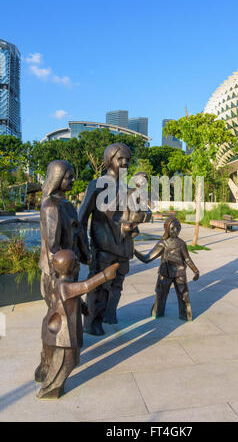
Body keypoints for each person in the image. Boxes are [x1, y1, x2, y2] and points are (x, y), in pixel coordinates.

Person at [79, 143, 151, 335]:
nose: (125, 163)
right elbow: (81, 218)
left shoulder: (128, 190)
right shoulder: (96, 185)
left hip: (124, 246)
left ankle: (110, 314)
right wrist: (83, 248)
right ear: (109, 160)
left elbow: (140, 214)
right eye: (120, 159)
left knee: (117, 285)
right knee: (99, 286)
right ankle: (92, 323)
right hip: (103, 247)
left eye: (127, 159)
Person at [35, 160, 90, 383]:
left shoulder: (67, 205)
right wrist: (61, 278)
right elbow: (52, 247)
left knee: (70, 316)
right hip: (57, 273)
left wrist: (85, 254)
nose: (73, 180)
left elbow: (78, 232)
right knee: (55, 319)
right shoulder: (51, 206)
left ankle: (68, 355)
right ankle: (47, 362)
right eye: (68, 177)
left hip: (69, 268)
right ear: (57, 178)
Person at [37, 249, 118, 399]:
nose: (79, 265)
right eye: (76, 263)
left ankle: (48, 382)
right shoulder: (65, 286)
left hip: (54, 328)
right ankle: (49, 389)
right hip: (63, 333)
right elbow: (86, 286)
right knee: (68, 361)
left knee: (67, 360)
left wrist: (83, 307)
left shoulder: (56, 282)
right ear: (73, 268)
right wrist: (106, 274)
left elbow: (70, 299)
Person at [134, 217, 199, 320]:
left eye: (178, 228)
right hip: (165, 273)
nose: (176, 231)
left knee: (184, 296)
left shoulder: (181, 243)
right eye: (173, 228)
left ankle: (186, 315)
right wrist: (134, 251)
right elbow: (147, 258)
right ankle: (157, 313)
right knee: (160, 295)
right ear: (167, 229)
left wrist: (196, 271)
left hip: (180, 274)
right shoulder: (162, 243)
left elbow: (187, 259)